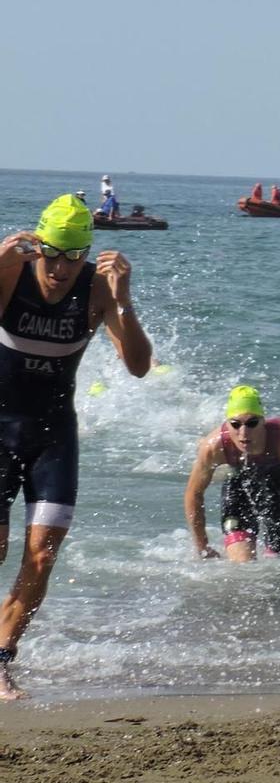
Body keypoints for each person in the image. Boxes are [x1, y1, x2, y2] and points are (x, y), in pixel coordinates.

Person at [0, 196, 153, 699]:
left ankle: (1, 660)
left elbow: (138, 366)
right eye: (53, 253)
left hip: (53, 434)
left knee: (42, 555)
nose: (62, 268)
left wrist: (124, 299)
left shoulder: (98, 290)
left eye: (75, 255)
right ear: (36, 245)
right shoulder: (11, 273)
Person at [184, 385, 280, 560]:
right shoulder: (213, 447)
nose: (244, 433)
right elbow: (194, 493)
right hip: (237, 484)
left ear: (263, 422)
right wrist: (203, 546)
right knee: (242, 566)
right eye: (235, 424)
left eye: (252, 423)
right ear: (227, 424)